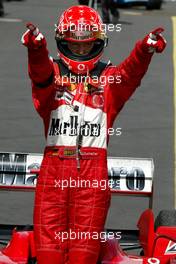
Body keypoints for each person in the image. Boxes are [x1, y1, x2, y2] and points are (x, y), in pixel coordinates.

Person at [21, 5, 166, 264]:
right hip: (52, 174)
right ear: (62, 42)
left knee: (83, 256)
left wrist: (144, 51)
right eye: (74, 45)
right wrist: (36, 49)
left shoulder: (108, 81)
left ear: (97, 43)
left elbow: (129, 75)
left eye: (86, 45)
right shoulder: (50, 79)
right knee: (48, 255)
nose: (80, 50)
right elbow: (39, 73)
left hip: (93, 176)